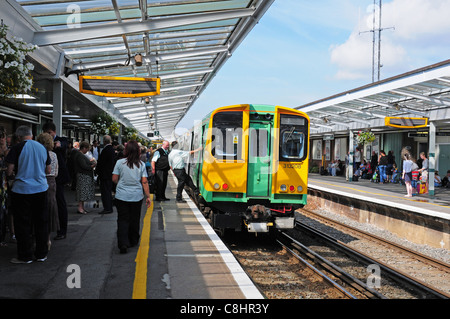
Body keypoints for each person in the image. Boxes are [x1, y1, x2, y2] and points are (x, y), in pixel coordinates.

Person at [5, 126, 51, 263]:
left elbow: (9, 170)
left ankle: (25, 256)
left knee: (23, 223)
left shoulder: (17, 148)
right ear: (31, 135)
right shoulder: (42, 148)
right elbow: (48, 169)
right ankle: (41, 254)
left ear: (19, 137)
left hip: (22, 190)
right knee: (41, 221)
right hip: (41, 189)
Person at [112, 141, 151, 254]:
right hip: (136, 196)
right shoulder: (141, 164)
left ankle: (123, 243)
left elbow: (114, 179)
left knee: (123, 219)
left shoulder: (119, 163)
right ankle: (133, 240)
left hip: (121, 196)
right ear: (138, 151)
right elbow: (144, 182)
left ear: (126, 150)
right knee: (134, 219)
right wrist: (148, 196)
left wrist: (121, 184)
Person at [42, 122, 70, 241]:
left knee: (59, 202)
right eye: (46, 133)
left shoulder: (61, 140)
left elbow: (64, 144)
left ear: (54, 132)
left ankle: (62, 230)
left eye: (49, 133)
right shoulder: (42, 143)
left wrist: (58, 145)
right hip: (44, 177)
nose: (48, 136)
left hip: (57, 178)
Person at [36, 133, 59, 251]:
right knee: (50, 210)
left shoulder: (37, 153)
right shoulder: (54, 155)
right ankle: (48, 239)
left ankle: (37, 239)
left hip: (40, 182)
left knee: (38, 210)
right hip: (52, 182)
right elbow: (56, 172)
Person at [73, 141, 96, 214]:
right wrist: (92, 166)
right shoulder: (80, 155)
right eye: (87, 149)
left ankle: (82, 207)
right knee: (82, 193)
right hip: (83, 176)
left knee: (82, 192)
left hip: (83, 175)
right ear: (84, 148)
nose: (87, 151)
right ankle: (80, 208)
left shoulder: (79, 154)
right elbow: (84, 166)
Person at [96, 135, 116, 214]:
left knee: (105, 192)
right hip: (109, 174)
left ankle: (107, 208)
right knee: (108, 191)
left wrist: (97, 170)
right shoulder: (111, 149)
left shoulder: (106, 150)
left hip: (105, 175)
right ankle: (109, 207)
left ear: (104, 141)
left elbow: (102, 162)